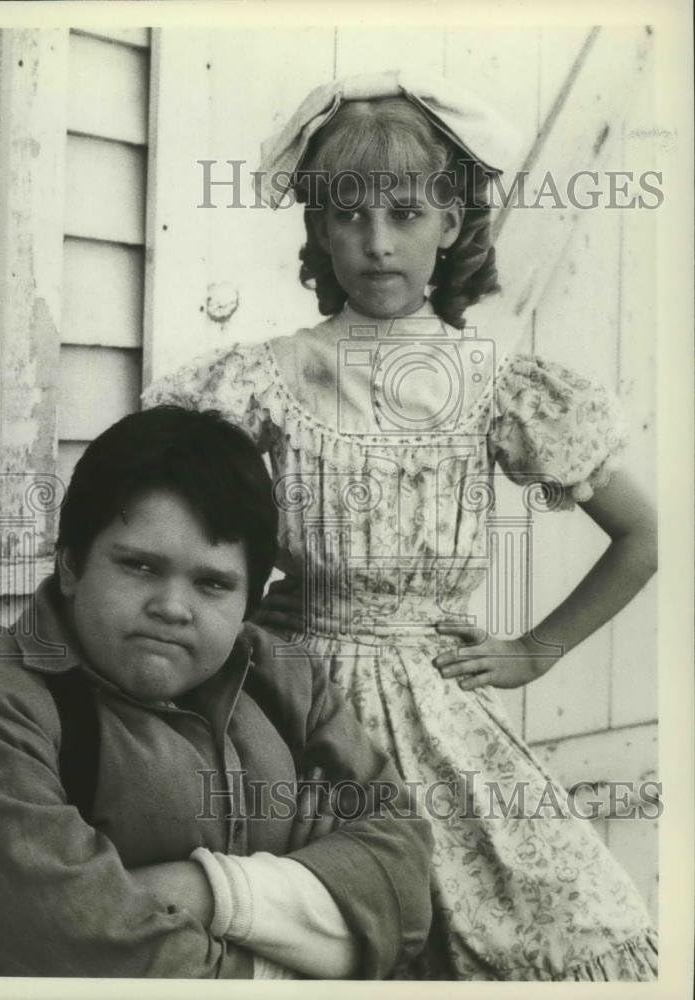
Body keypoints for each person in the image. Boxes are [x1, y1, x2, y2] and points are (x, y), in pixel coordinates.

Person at [141, 71, 659, 980]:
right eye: (347, 216)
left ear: (450, 225)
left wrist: (534, 652)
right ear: (319, 228)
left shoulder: (500, 386)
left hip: (433, 713)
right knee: (291, 926)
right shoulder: (260, 379)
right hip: (284, 703)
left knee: (503, 924)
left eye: (407, 214)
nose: (376, 244)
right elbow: (159, 523)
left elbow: (641, 536)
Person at [0, 405, 435, 979]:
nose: (172, 608)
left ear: (249, 598)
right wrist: (304, 946)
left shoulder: (284, 680)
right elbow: (72, 952)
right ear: (72, 565)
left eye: (212, 583)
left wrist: (203, 891)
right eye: (141, 567)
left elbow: (404, 886)